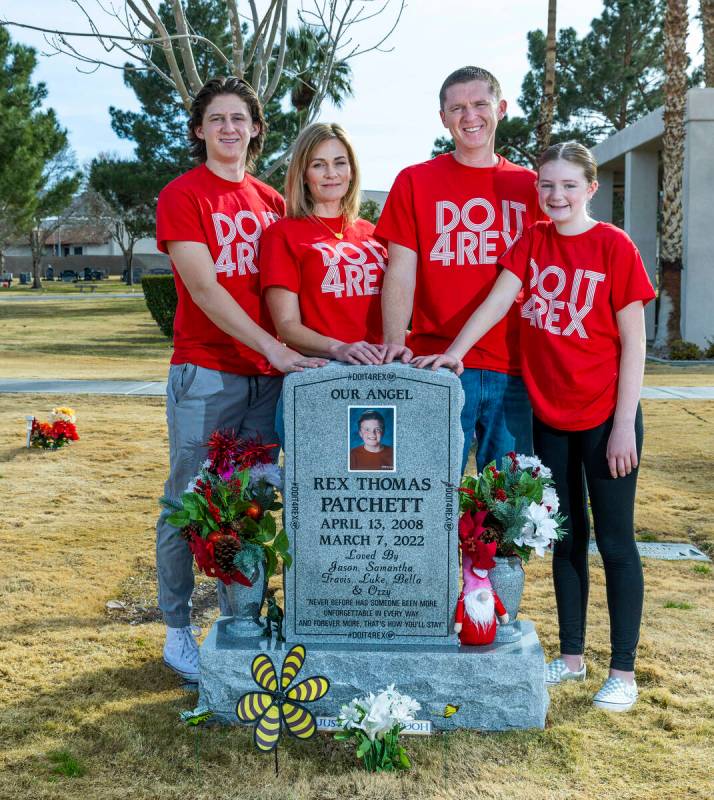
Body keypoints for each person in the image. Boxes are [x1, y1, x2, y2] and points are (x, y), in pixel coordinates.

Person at [414, 141, 655, 712]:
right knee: (566, 539)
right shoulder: (534, 239)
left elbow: (636, 346)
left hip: (605, 417)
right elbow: (499, 301)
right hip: (550, 415)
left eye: (569, 185)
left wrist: (625, 425)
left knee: (615, 543)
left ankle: (623, 670)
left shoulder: (614, 247)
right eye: (547, 185)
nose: (556, 196)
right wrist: (455, 352)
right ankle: (572, 657)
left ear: (591, 189)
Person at [155, 77, 325, 683]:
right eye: (217, 119)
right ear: (199, 130)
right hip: (207, 372)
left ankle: (240, 618)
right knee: (188, 501)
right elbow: (205, 290)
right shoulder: (182, 195)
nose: (229, 129)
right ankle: (177, 629)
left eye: (240, 119)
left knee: (250, 504)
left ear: (256, 129)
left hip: (268, 381)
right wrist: (273, 349)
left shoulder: (273, 204)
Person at [376, 66, 542, 474]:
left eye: (480, 104)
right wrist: (396, 345)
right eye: (458, 108)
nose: (470, 116)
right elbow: (400, 270)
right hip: (435, 362)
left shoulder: (533, 187)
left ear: (500, 109)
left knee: (514, 500)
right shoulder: (415, 182)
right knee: (429, 488)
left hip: (515, 365)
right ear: (443, 117)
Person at [260, 122, 387, 366]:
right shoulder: (282, 234)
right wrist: (339, 348)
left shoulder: (374, 234)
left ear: (351, 170)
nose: (331, 173)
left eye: (340, 163)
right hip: (323, 372)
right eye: (319, 165)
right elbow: (287, 327)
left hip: (380, 372)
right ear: (304, 175)